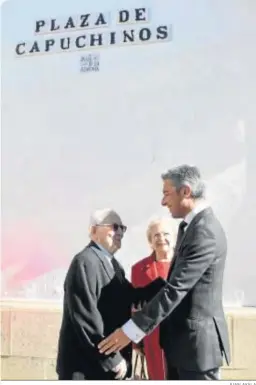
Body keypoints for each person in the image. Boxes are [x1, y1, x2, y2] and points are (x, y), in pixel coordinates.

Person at [98, 165, 231, 380]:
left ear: (186, 191)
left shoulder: (204, 231)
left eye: (166, 194)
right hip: (180, 348)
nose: (163, 201)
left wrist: (131, 331)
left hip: (197, 352)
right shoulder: (190, 226)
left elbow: (176, 289)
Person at [56, 208, 165, 380]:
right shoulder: (85, 261)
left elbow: (131, 298)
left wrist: (164, 284)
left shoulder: (112, 264)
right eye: (115, 226)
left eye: (122, 228)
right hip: (85, 367)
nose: (120, 232)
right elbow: (86, 319)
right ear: (93, 231)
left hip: (102, 368)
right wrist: (111, 359)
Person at [131, 218, 177, 380]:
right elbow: (135, 308)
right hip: (153, 337)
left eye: (166, 234)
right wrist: (136, 342)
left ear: (174, 237)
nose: (161, 238)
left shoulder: (185, 265)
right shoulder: (138, 269)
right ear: (150, 241)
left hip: (181, 336)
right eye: (156, 235)